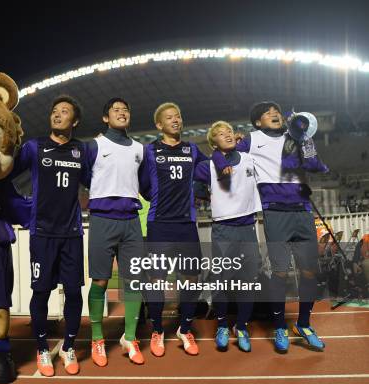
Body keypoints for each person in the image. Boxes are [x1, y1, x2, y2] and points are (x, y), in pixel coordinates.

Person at [212, 101, 329, 352]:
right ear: (257, 122)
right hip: (275, 212)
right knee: (280, 272)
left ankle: (304, 324)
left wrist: (305, 137)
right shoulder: (252, 140)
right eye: (267, 113)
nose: (274, 114)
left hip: (303, 210)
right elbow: (223, 150)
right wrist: (224, 159)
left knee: (309, 272)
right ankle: (279, 326)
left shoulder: (296, 138)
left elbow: (313, 165)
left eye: (276, 111)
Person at [12, 95, 88, 376]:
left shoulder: (81, 151)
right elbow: (6, 172)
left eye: (64, 112)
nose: (57, 115)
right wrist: (21, 207)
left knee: (72, 291)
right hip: (42, 234)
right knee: (41, 291)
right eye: (54, 111)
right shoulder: (34, 147)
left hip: (71, 234)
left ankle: (69, 346)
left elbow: (98, 182)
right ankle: (42, 347)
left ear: (75, 121)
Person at [140, 102, 208, 356]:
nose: (175, 120)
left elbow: (208, 170)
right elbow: (142, 184)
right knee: (156, 279)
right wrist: (158, 196)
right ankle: (158, 329)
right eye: (169, 117)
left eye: (178, 116)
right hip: (159, 224)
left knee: (191, 278)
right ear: (159, 125)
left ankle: (185, 327)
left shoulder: (192, 149)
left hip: (186, 224)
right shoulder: (150, 150)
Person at [86, 97, 147, 366]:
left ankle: (130, 337)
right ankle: (97, 338)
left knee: (133, 281)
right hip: (102, 218)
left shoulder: (140, 149)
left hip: (131, 220)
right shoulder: (95, 146)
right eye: (116, 110)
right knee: (99, 281)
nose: (122, 113)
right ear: (105, 117)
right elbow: (80, 176)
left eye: (126, 109)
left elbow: (146, 185)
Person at [194, 120, 262, 352]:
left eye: (230, 132)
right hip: (223, 228)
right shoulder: (207, 166)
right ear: (213, 142)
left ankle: (241, 326)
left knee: (248, 281)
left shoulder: (249, 158)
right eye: (221, 134)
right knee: (221, 280)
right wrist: (205, 193)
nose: (228, 135)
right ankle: (222, 324)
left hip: (248, 227)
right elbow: (192, 182)